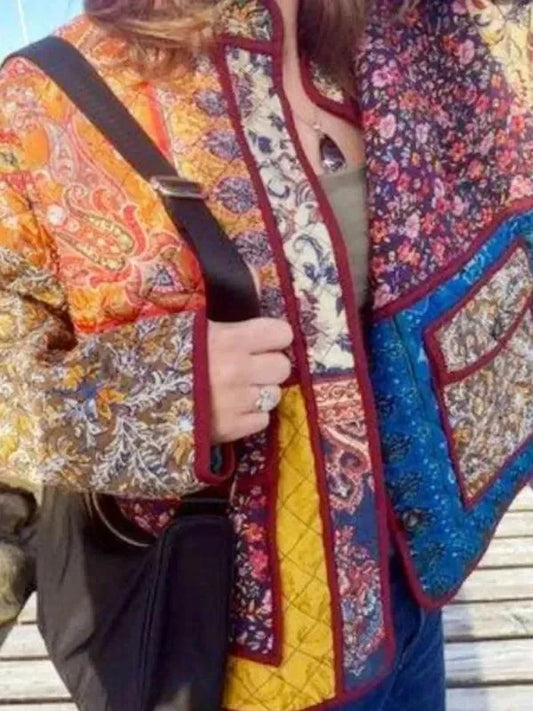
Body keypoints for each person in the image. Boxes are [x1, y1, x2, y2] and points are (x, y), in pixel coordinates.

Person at [0, 0, 532, 709]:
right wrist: (166, 392)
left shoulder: (406, 37)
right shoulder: (43, 100)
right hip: (234, 649)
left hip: (411, 589)